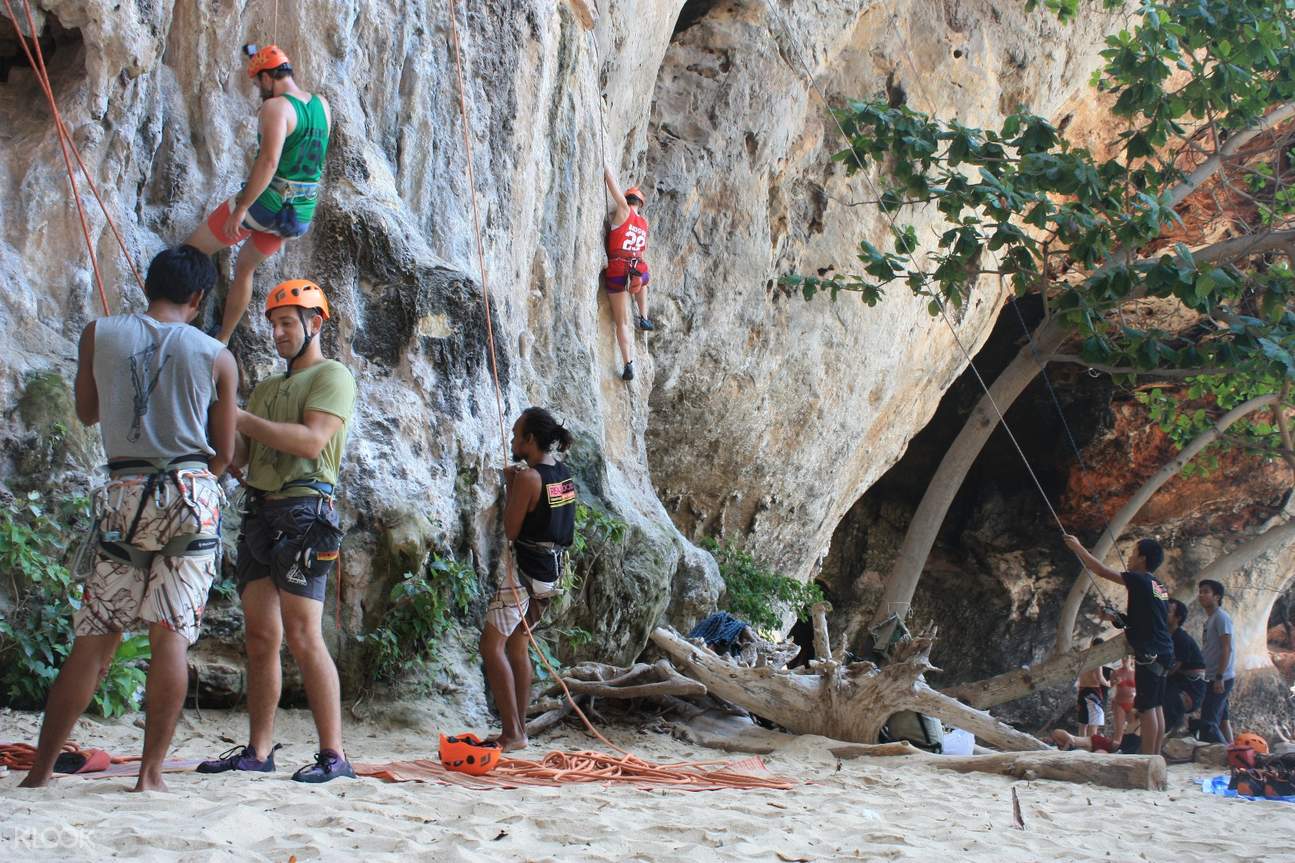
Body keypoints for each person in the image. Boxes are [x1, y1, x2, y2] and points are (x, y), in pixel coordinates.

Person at [19, 246, 237, 791]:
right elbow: (225, 454)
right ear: (199, 297)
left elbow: (89, 412)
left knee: (95, 638)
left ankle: (40, 774)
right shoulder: (217, 355)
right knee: (170, 637)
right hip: (189, 493)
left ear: (148, 286)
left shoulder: (99, 333)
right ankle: (150, 776)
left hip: (124, 494)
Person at [197, 279, 357, 783]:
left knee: (305, 634)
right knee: (261, 636)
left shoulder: (333, 377)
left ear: (316, 323)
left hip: (305, 513)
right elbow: (243, 458)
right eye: (274, 325)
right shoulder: (267, 389)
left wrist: (240, 417)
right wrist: (217, 422)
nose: (279, 333)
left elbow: (311, 442)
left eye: (288, 323)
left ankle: (334, 755)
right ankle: (259, 750)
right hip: (262, 512)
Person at [185, 45, 331, 343]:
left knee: (192, 252)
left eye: (257, 83)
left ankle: (175, 320)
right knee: (245, 268)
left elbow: (268, 161)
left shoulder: (276, 107)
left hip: (267, 204)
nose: (258, 91)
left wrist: (241, 208)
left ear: (267, 77)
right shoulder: (322, 106)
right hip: (297, 215)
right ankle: (222, 338)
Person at [480, 407, 577, 751]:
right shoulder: (562, 475)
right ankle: (518, 729)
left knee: (491, 646)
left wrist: (512, 484)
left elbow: (511, 527)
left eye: (516, 433)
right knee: (518, 646)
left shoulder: (529, 478)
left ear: (530, 440)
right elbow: (552, 516)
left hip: (525, 574)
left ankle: (512, 732)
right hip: (551, 575)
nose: (512, 439)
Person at [1063, 534, 1174, 755]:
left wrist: (1078, 548)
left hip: (1150, 651)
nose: (1130, 558)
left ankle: (1148, 758)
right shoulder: (1158, 585)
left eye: (1133, 553)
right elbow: (1142, 619)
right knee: (1157, 707)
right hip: (1164, 649)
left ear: (1142, 559)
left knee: (1147, 708)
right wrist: (1115, 617)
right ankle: (1156, 755)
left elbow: (1102, 570)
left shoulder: (1139, 579)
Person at [602, 163, 653, 382]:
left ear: (627, 200)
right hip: (635, 268)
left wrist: (605, 167)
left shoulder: (622, 210)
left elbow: (610, 181)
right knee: (644, 275)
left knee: (621, 322)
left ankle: (628, 363)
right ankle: (644, 316)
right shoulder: (643, 223)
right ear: (640, 204)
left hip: (616, 269)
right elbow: (641, 251)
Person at [1197, 579, 1236, 744]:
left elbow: (1226, 648)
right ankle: (1233, 752)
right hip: (1212, 676)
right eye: (1200, 591)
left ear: (1217, 596)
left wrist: (1219, 676)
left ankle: (1221, 755)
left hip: (1220, 677)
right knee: (1223, 719)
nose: (1201, 595)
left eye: (1206, 591)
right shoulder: (1210, 619)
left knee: (1208, 721)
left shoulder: (1221, 617)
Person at [1164, 597, 1207, 736]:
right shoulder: (1165, 635)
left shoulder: (1181, 639)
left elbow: (1173, 669)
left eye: (1168, 611)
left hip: (1190, 688)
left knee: (1164, 699)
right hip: (1176, 682)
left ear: (1178, 618)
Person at [1052, 710, 1144, 754]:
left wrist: (1063, 751)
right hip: (1095, 746)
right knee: (1101, 754)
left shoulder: (1057, 733)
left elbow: (1071, 741)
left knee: (1106, 750)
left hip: (1095, 742)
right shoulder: (1129, 726)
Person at [1075, 637, 1111, 737]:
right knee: (1093, 723)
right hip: (1093, 692)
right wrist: (1108, 683)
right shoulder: (1096, 659)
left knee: (1083, 723)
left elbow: (1079, 679)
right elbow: (1100, 678)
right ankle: (1090, 747)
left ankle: (1081, 746)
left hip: (1082, 691)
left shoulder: (1083, 659)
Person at [1110, 655, 1136, 743]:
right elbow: (1110, 685)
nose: (1124, 659)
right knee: (1119, 729)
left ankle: (1129, 749)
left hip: (1132, 703)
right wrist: (1115, 682)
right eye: (1123, 658)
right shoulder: (1116, 672)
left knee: (1132, 729)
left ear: (1131, 660)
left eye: (1127, 658)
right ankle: (1116, 748)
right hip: (1119, 703)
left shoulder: (1135, 673)